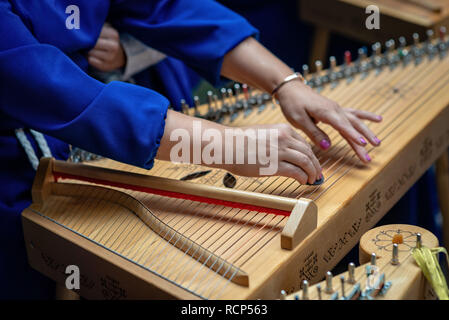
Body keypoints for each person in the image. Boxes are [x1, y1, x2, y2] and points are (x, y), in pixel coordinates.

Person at [0, 0, 381, 299]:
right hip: (16, 164)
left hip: (102, 123)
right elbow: (53, 90)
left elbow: (167, 7)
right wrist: (229, 145)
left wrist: (285, 83)